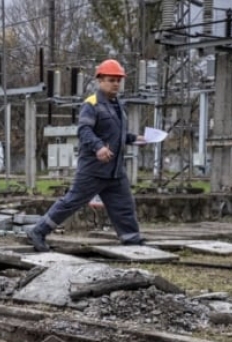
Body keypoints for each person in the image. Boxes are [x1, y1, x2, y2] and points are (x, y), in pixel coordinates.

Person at [27, 58, 146, 252]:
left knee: (124, 206)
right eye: (111, 79)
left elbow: (116, 136)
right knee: (71, 202)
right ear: (100, 80)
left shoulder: (118, 106)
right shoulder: (92, 104)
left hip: (114, 170)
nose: (116, 83)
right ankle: (38, 231)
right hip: (93, 169)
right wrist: (98, 147)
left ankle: (132, 240)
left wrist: (135, 138)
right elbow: (84, 131)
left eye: (118, 80)